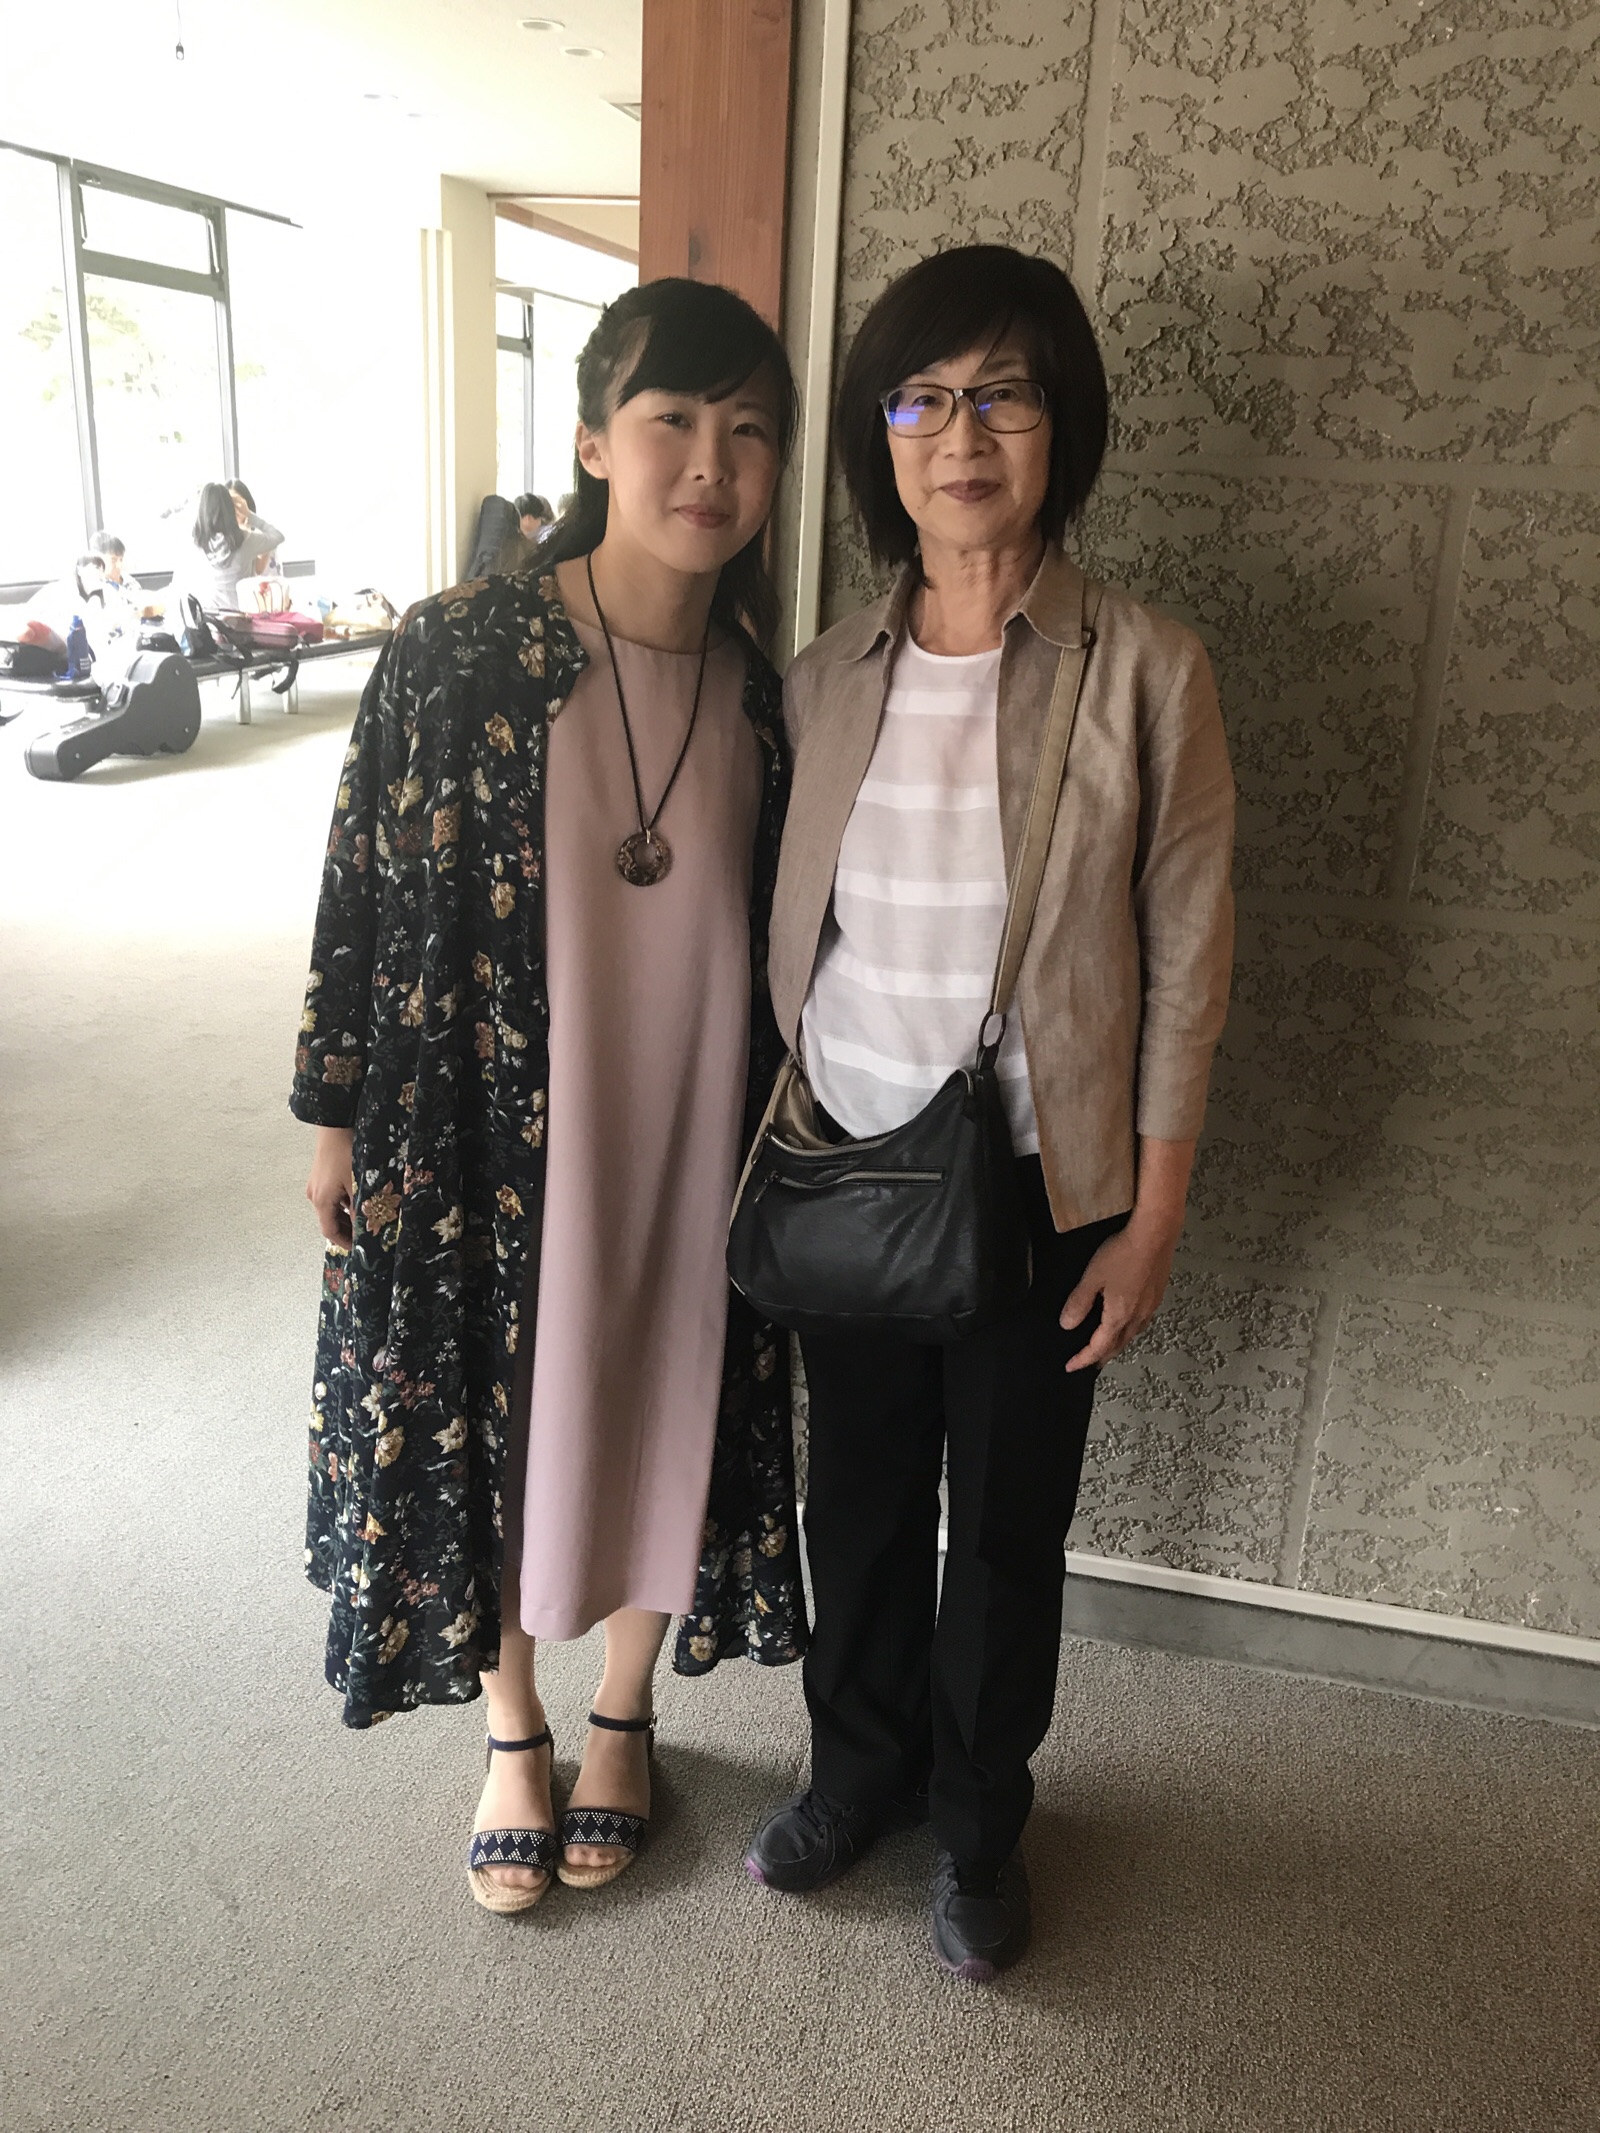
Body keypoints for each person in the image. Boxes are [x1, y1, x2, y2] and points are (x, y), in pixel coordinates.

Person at [744, 245, 1235, 1981]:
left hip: (1041, 1183)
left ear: (1061, 425)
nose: (961, 435)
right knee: (860, 1504)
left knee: (1006, 1530)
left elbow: (1188, 962)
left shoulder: (1148, 667)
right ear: (881, 437)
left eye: (1003, 394)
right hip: (849, 1159)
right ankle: (856, 1773)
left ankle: (976, 1827)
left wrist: (1152, 1216)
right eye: (922, 398)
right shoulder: (824, 674)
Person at [290, 277, 806, 1918]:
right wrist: (334, 1111)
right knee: (497, 1404)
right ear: (593, 441)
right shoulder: (463, 649)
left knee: (671, 1390)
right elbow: (361, 882)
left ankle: (622, 1712)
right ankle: (513, 1728)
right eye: (672, 420)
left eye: (750, 431)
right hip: (483, 1126)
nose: (710, 462)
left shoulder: (765, 696)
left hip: (697, 1128)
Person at [185, 482, 284, 612]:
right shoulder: (246, 540)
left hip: (211, 618)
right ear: (230, 509)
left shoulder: (197, 543)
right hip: (242, 619)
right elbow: (278, 536)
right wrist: (250, 515)